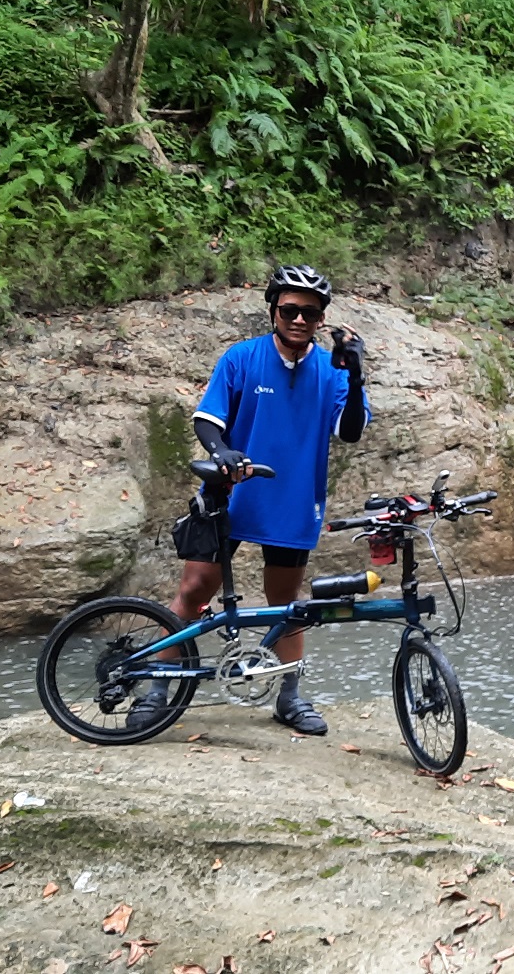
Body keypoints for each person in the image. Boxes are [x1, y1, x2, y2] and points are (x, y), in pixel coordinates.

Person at [130, 265, 370, 735]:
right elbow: (207, 420)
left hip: (293, 501)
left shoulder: (330, 371)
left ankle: (290, 697)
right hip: (230, 495)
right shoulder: (241, 358)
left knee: (286, 604)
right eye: (290, 309)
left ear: (321, 320)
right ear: (273, 309)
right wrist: (223, 453)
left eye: (310, 313)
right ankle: (156, 689)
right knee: (195, 590)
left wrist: (357, 377)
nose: (299, 319)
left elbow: (352, 430)